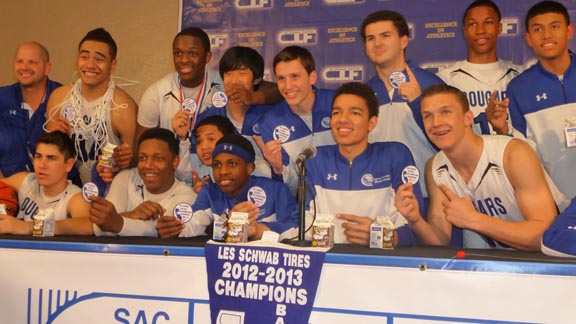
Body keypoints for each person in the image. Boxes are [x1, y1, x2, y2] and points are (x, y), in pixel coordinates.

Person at [400, 84, 562, 251]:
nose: (436, 123)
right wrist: (415, 220)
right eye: (427, 116)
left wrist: (474, 219)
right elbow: (440, 241)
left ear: (468, 118)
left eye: (445, 112)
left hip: (553, 264)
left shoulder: (513, 154)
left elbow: (544, 236)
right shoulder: (434, 167)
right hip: (492, 264)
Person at [304, 82, 422, 247]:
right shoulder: (314, 159)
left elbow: (416, 230)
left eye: (355, 113)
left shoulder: (396, 155)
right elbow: (302, 227)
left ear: (371, 123)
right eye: (336, 112)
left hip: (381, 265)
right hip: (328, 265)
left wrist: (380, 236)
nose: (343, 119)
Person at [138, 28, 280, 141]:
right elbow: (141, 145)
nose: (184, 60)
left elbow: (279, 91)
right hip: (173, 169)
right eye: (178, 53)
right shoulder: (156, 92)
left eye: (192, 54)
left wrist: (252, 97)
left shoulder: (226, 80)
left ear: (207, 57)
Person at [361, 10, 445, 197]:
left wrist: (418, 103)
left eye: (385, 35)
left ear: (403, 41)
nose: (377, 43)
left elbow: (452, 143)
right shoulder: (364, 94)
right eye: (370, 38)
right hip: (378, 197)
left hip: (428, 195)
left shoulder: (431, 84)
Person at [157, 134, 298, 240]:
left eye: (232, 164)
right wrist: (174, 228)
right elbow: (194, 222)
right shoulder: (210, 192)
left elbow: (295, 230)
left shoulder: (275, 190)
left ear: (249, 168)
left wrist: (256, 231)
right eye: (217, 165)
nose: (222, 171)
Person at [45, 28, 138, 184]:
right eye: (84, 57)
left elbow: (134, 162)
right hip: (70, 185)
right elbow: (47, 154)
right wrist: (53, 138)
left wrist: (122, 163)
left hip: (111, 189)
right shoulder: (59, 98)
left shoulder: (123, 107)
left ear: (112, 65)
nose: (90, 64)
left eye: (99, 59)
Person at [505, 0, 576, 199]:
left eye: (555, 27)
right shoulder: (518, 88)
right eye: (538, 29)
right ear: (528, 38)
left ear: (569, 31)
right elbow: (522, 151)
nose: (546, 35)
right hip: (553, 201)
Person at [173, 46, 272, 184]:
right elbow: (192, 172)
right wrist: (183, 139)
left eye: (242, 73)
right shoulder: (209, 117)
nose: (234, 80)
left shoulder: (272, 115)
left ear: (257, 79)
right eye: (229, 73)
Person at [254, 45, 336, 192]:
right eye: (281, 79)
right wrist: (278, 169)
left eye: (295, 76)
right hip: (306, 204)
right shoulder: (270, 122)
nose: (288, 86)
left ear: (312, 77)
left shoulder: (337, 103)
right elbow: (292, 187)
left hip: (348, 194)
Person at [89, 128, 196, 236]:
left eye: (158, 158)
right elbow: (103, 227)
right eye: (143, 158)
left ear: (174, 162)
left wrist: (119, 223)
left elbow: (162, 230)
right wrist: (132, 214)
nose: (148, 165)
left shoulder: (187, 195)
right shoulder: (126, 178)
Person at [437, 0, 523, 136]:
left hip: (514, 154)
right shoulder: (446, 78)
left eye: (488, 22)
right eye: (472, 24)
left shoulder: (520, 75)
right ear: (464, 31)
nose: (480, 30)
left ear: (499, 28)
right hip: (468, 157)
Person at [0, 131, 92, 235]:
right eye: (38, 157)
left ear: (68, 165)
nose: (42, 165)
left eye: (51, 158)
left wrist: (28, 227)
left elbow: (86, 226)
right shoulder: (26, 180)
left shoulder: (75, 197)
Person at [0, 42, 61, 177]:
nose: (24, 67)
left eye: (32, 62)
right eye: (20, 61)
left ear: (47, 67)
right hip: (12, 190)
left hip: (59, 190)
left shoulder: (64, 98)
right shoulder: (3, 99)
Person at [177, 115, 270, 192]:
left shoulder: (257, 168)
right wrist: (201, 196)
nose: (204, 147)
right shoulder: (203, 172)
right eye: (199, 142)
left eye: (211, 139)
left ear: (228, 138)